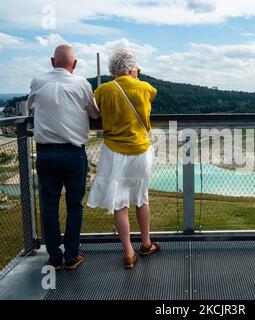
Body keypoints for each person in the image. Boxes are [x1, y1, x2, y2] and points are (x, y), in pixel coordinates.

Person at [27, 44, 100, 270]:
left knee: (49, 206)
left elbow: (31, 108)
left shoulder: (38, 81)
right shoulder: (82, 84)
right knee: (74, 205)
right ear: (75, 64)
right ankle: (71, 255)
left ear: (52, 61)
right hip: (73, 153)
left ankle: (54, 257)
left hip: (46, 153)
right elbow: (95, 113)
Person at [87, 48, 160, 269]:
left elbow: (94, 112)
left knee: (120, 203)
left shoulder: (104, 90)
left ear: (113, 70)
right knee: (142, 198)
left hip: (114, 152)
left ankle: (128, 253)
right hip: (140, 151)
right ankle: (146, 243)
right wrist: (137, 77)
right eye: (137, 68)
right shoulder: (146, 88)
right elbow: (149, 96)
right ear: (131, 68)